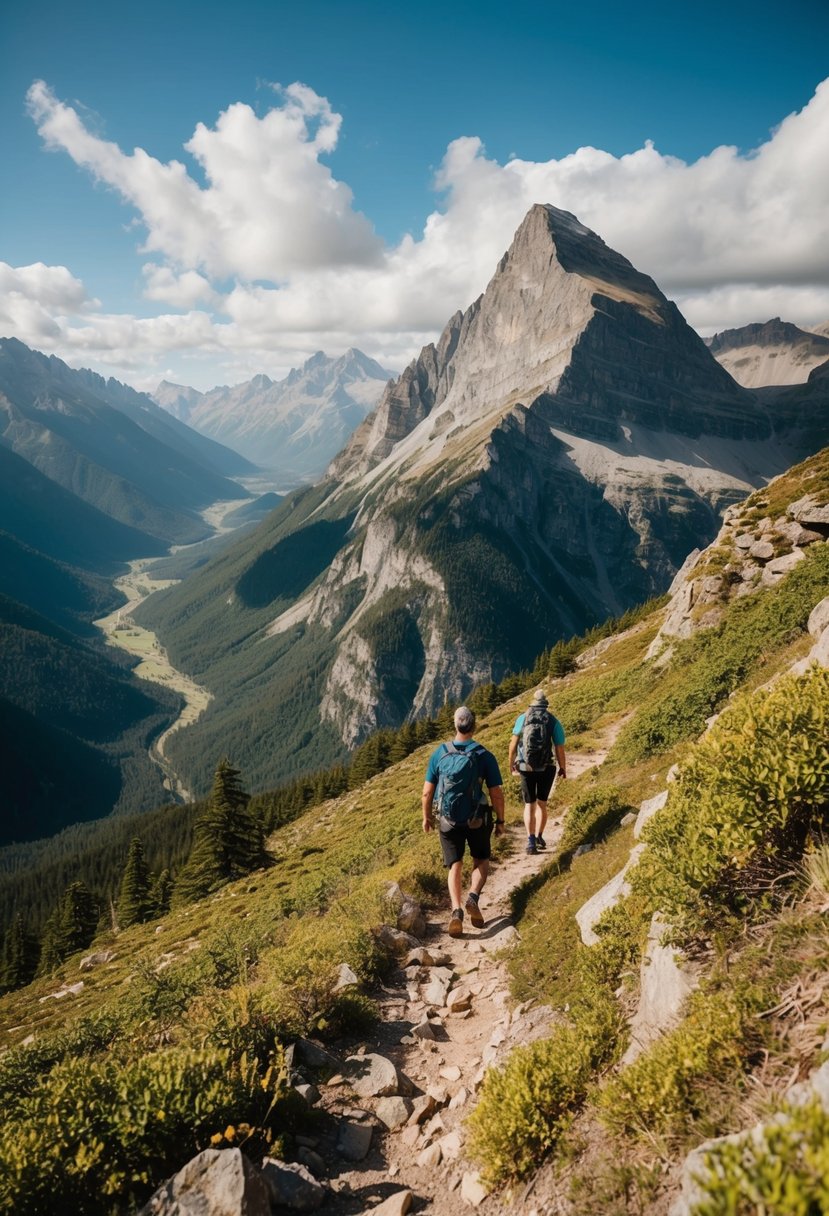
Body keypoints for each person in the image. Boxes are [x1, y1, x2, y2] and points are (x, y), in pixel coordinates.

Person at [422, 706, 505, 937]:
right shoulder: (484, 755)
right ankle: (473, 897)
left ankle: (456, 910)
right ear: (474, 725)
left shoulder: (440, 753)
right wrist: (500, 821)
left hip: (448, 821)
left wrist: (426, 817)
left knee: (455, 864)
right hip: (477, 818)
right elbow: (496, 792)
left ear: (455, 725)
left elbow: (427, 793)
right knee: (481, 860)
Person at [508, 689, 566, 854]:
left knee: (529, 804)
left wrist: (511, 764)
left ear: (532, 703)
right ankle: (540, 836)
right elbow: (559, 747)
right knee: (542, 804)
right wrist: (562, 768)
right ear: (545, 705)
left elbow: (513, 745)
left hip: (526, 767)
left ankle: (531, 842)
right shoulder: (553, 721)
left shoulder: (523, 718)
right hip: (547, 767)